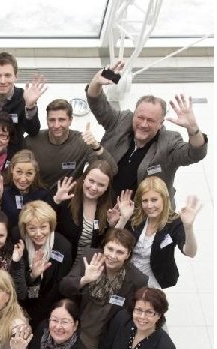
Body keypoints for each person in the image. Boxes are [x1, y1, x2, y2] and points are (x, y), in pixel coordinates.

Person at [86, 62, 208, 201]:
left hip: (144, 210)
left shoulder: (169, 141)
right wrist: (96, 82)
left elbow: (195, 154)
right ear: (134, 115)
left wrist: (193, 128)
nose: (143, 124)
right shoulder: (121, 122)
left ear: (160, 124)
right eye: (140, 118)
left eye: (150, 120)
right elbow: (98, 105)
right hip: (103, 201)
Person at [59, 228, 148, 349]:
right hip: (74, 326)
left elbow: (134, 313)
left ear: (128, 254)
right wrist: (84, 280)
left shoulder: (137, 280)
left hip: (99, 338)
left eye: (120, 252)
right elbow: (64, 287)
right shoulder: (89, 257)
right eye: (110, 249)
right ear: (104, 247)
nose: (112, 255)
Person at [122, 176, 201, 289]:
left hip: (154, 279)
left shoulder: (174, 222)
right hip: (127, 273)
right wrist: (123, 219)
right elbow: (116, 241)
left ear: (164, 199)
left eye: (154, 200)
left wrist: (188, 227)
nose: (149, 206)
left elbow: (190, 252)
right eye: (145, 201)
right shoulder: (135, 216)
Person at [25, 98, 116, 188]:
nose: (56, 125)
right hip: (39, 195)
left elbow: (112, 170)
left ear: (70, 120)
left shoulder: (82, 142)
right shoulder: (32, 141)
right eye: (52, 120)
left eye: (61, 120)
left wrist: (96, 146)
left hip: (69, 195)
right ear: (47, 120)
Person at [15, 201, 72, 328]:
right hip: (19, 303)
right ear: (25, 229)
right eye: (32, 228)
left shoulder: (63, 247)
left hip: (47, 309)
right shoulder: (17, 239)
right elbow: (14, 276)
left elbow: (59, 288)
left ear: (51, 226)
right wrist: (32, 276)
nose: (38, 233)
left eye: (43, 227)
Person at [0, 52, 45, 151]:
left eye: (7, 75)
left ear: (15, 76)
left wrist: (30, 106)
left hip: (14, 156)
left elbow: (33, 131)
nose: (3, 81)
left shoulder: (25, 97)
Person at [52, 160, 116, 263]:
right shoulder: (67, 194)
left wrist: (113, 225)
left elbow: (106, 243)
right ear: (84, 178)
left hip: (89, 265)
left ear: (107, 188)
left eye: (101, 185)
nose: (94, 188)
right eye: (91, 181)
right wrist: (56, 202)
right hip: (60, 261)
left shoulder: (110, 205)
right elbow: (44, 224)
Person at [0, 149, 50, 230]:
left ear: (35, 173)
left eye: (29, 173)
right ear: (12, 169)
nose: (23, 179)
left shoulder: (42, 193)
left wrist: (56, 201)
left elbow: (48, 223)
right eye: (19, 172)